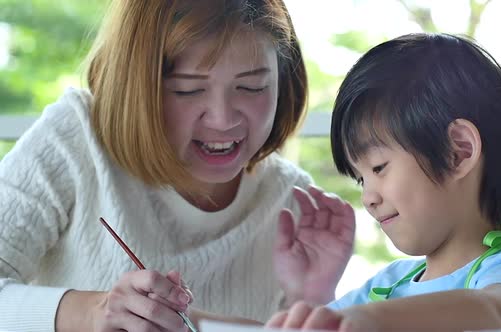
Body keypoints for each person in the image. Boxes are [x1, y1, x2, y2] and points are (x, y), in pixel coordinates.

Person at [0, 0, 355, 331]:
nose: (222, 119)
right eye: (188, 90)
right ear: (137, 86)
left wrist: (311, 300)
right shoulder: (75, 140)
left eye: (251, 87)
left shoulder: (296, 207)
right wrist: (95, 311)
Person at [266, 33, 501, 331]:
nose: (368, 198)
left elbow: (493, 312)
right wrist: (310, 296)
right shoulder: (386, 286)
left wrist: (370, 319)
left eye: (379, 167)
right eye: (360, 179)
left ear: (458, 152)